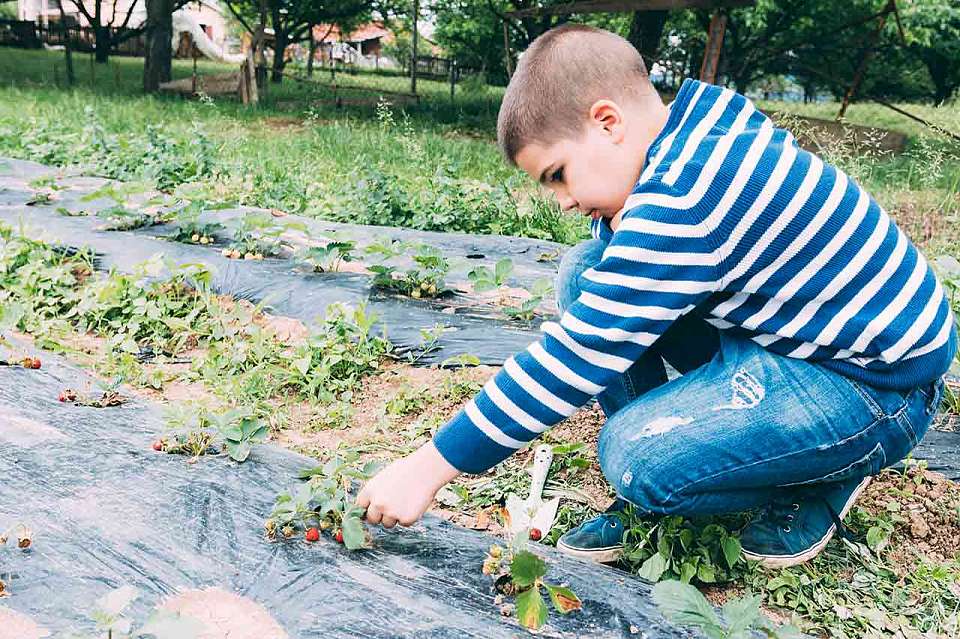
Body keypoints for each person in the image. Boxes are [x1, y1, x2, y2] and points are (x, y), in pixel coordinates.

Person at [356, 24, 955, 567]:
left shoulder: (689, 197)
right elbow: (614, 295)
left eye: (557, 174)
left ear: (609, 122)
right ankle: (685, 454)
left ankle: (822, 475)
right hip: (788, 338)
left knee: (633, 460)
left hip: (876, 386)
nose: (561, 200)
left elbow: (577, 354)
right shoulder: (691, 127)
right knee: (588, 271)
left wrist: (429, 467)